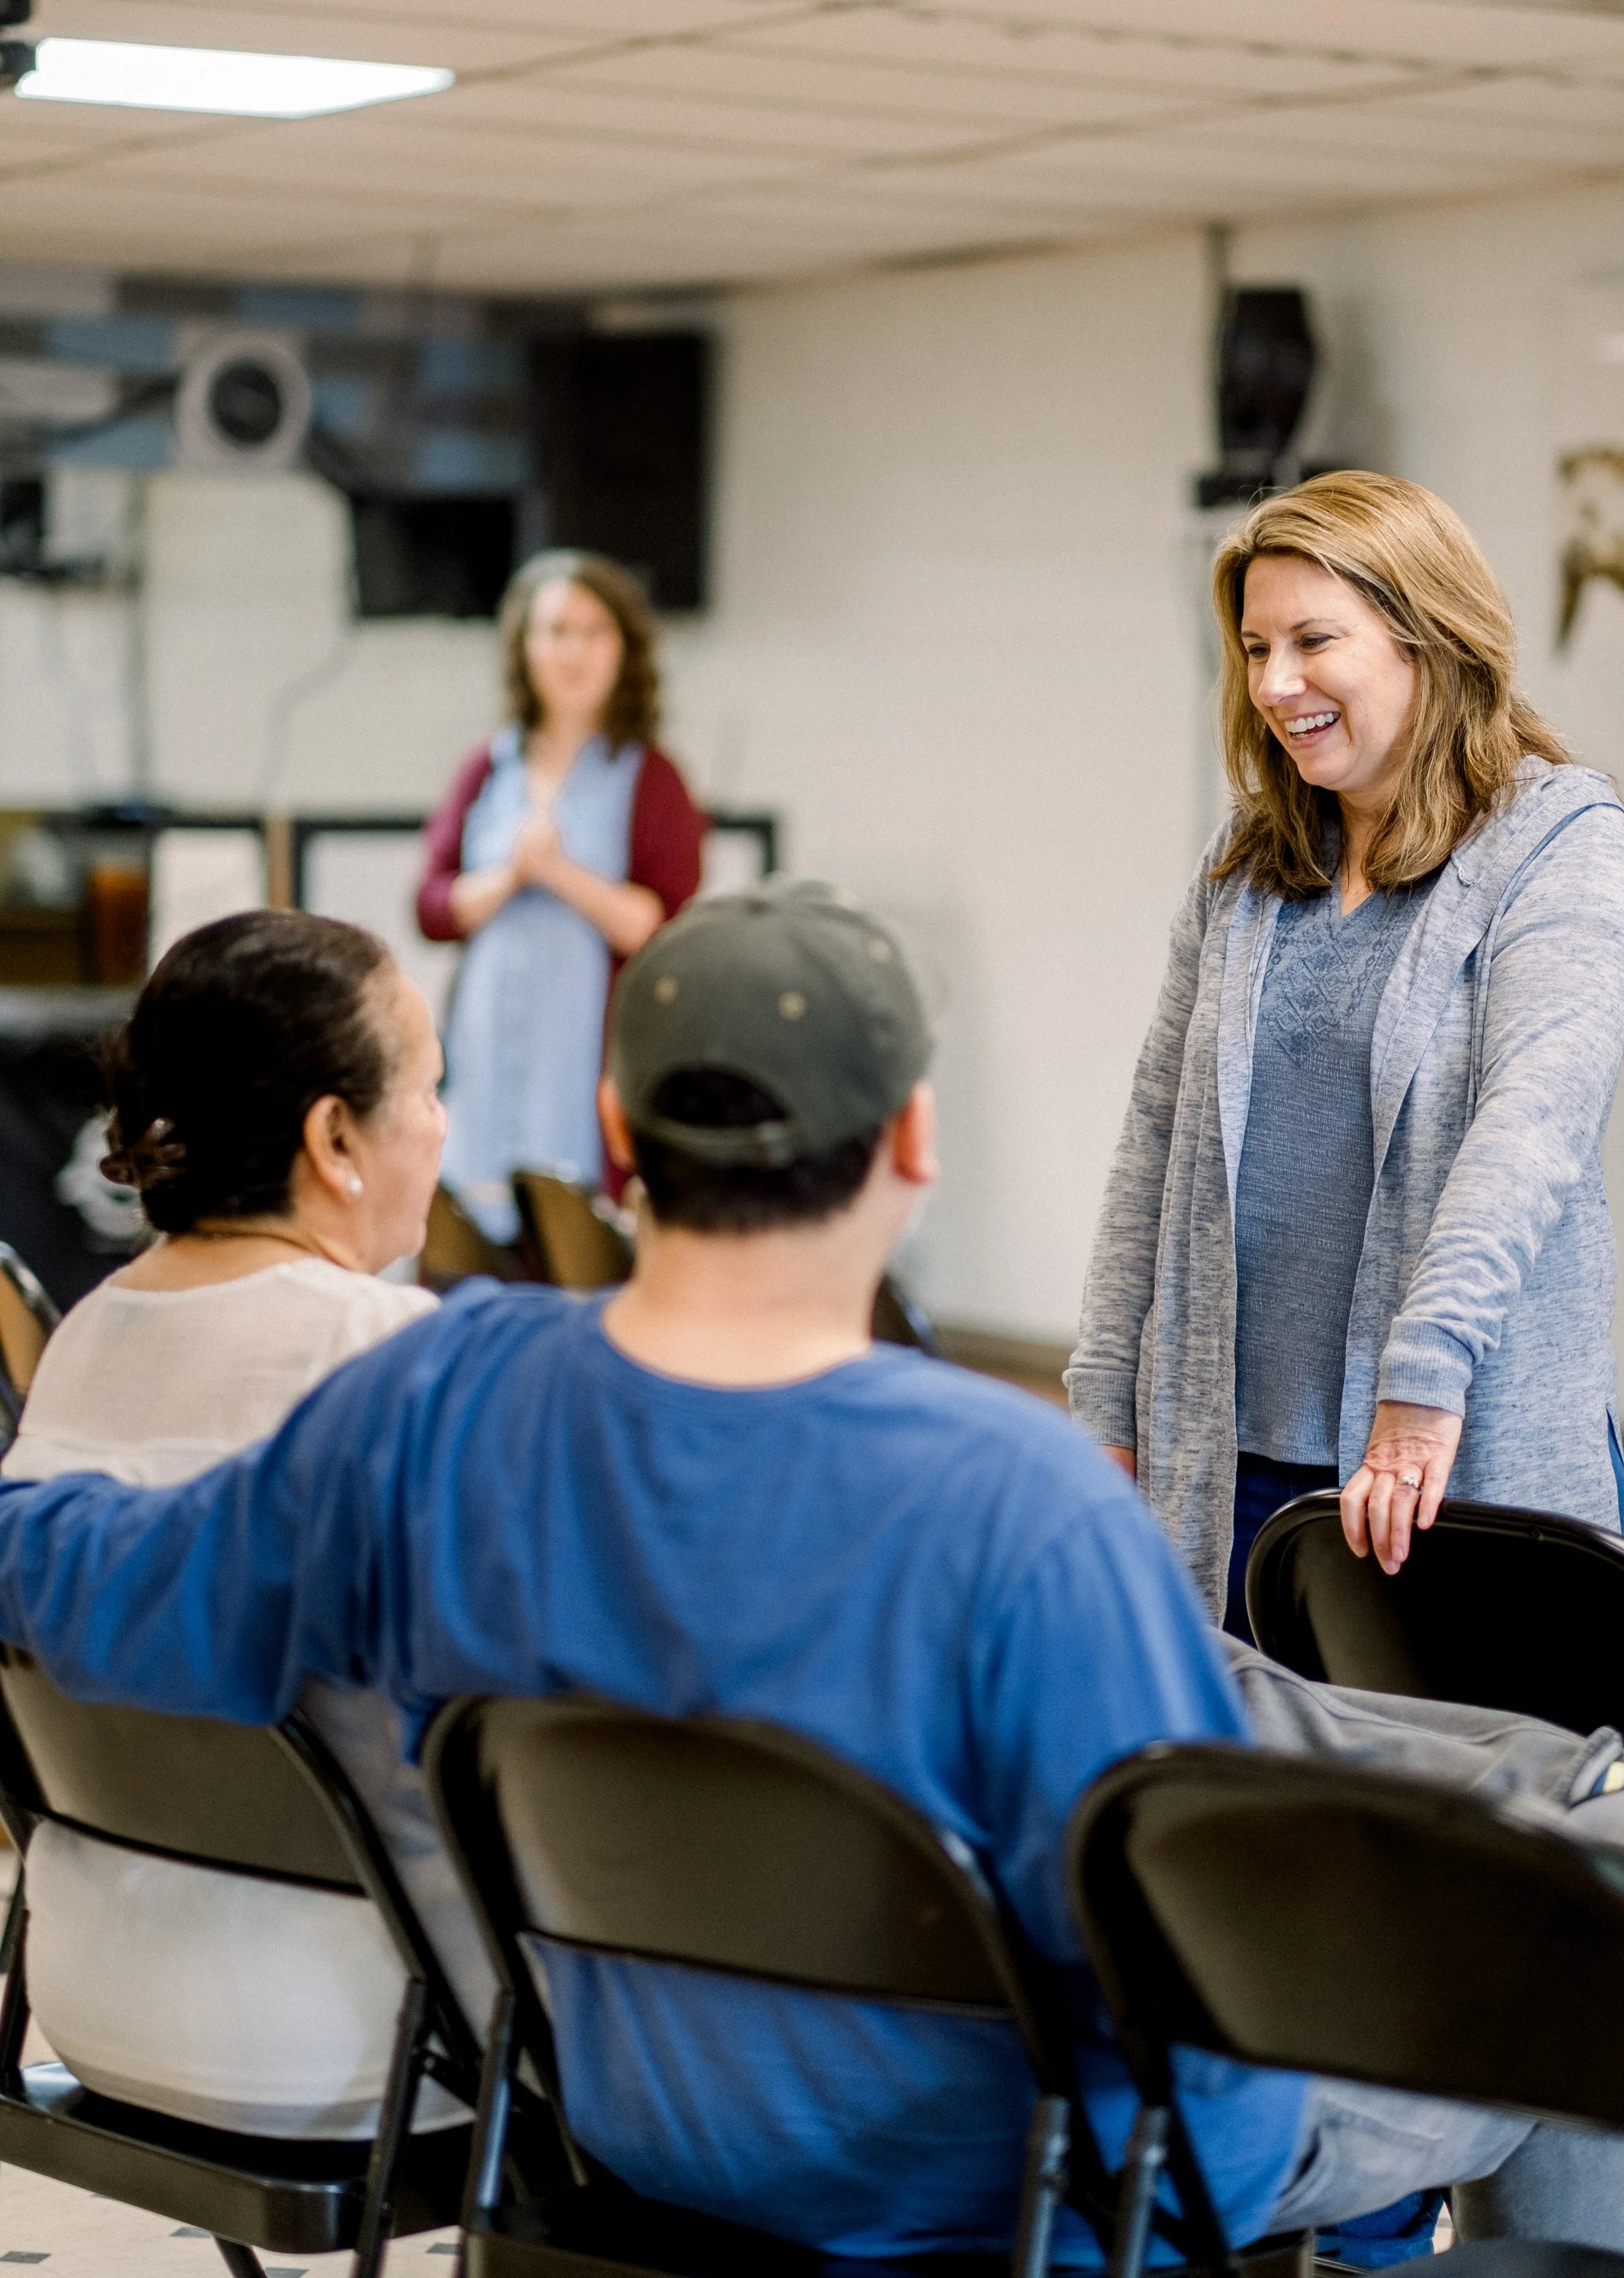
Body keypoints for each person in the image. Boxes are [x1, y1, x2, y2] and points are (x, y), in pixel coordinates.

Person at [0, 880, 1615, 2262]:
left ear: (619, 1137)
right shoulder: (1021, 1499)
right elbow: (1180, 2009)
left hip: (638, 2121)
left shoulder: (425, 1405)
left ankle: (1557, 1801)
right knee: (1554, 1981)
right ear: (910, 1137)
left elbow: (97, 1577)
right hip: (1003, 2172)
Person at [1067, 470, 1624, 1639]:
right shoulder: (1253, 864)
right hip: (1223, 1469)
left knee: (1444, 1809)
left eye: (1315, 640)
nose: (1276, 684)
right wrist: (1103, 1402)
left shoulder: (1557, 844)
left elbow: (1531, 1129)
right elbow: (1154, 1149)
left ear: (1431, 637)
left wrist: (1420, 1384)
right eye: (1257, 646)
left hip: (1436, 1464)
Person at [4, 907, 484, 2141]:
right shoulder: (389, 1355)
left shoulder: (87, 1336)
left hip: (86, 1998)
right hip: (353, 2034)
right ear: (336, 1137)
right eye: (427, 1090)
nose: (441, 1128)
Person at [417, 547, 706, 1238]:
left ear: (622, 649)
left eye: (592, 631)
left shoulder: (651, 775)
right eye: (555, 632)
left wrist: (559, 874)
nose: (572, 651)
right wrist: (510, 876)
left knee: (574, 1238)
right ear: (525, 647)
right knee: (472, 1238)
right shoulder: (489, 767)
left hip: (585, 1055)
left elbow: (659, 921)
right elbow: (432, 904)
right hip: (487, 1049)